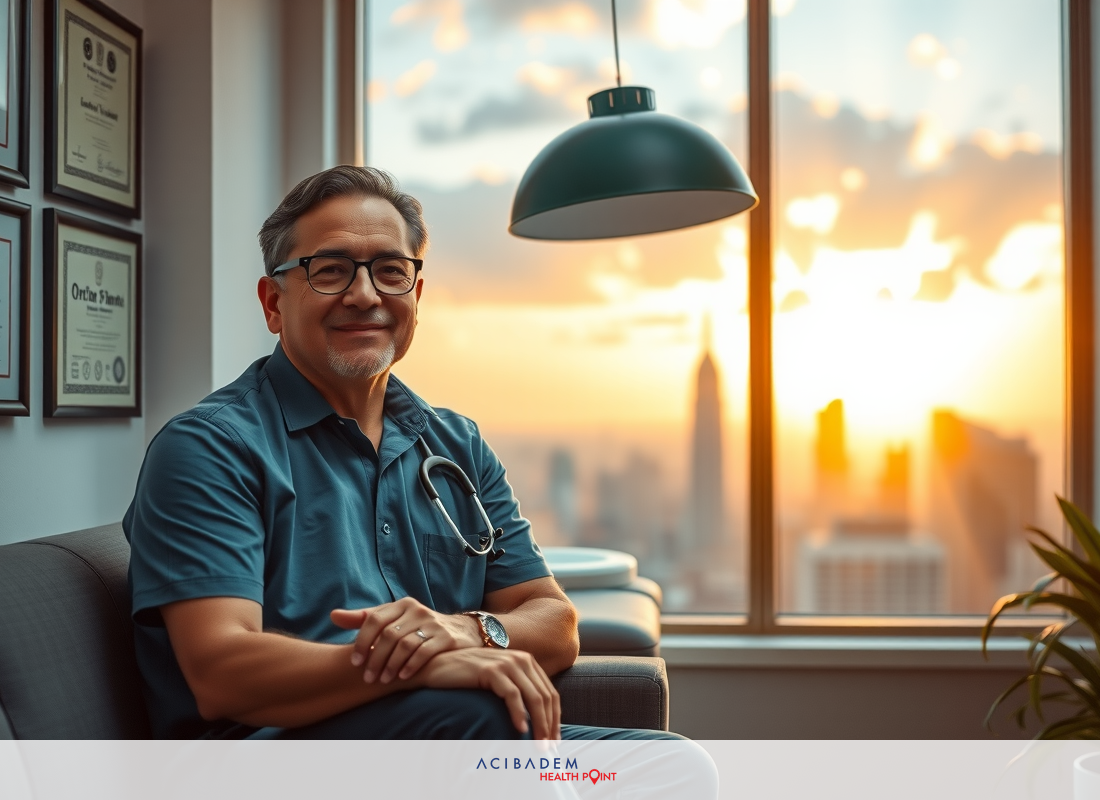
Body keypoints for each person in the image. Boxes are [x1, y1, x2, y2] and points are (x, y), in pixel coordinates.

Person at [123, 166, 683, 743]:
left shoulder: (456, 445)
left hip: (447, 745)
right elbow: (223, 675)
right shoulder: (208, 450)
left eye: (390, 272)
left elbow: (554, 620)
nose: (365, 295)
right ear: (273, 302)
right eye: (330, 270)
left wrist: (465, 633)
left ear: (415, 296)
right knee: (482, 720)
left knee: (673, 765)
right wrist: (420, 663)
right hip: (274, 759)